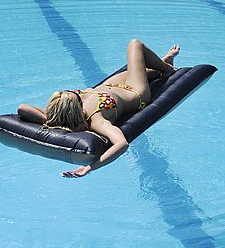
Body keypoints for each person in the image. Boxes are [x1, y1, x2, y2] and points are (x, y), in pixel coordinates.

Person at [18, 40, 180, 178]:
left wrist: (50, 119)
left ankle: (162, 65)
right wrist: (90, 168)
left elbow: (23, 108)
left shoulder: (58, 116)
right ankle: (167, 69)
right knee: (135, 44)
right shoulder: (97, 120)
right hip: (134, 91)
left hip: (111, 85)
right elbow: (121, 144)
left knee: (146, 70)